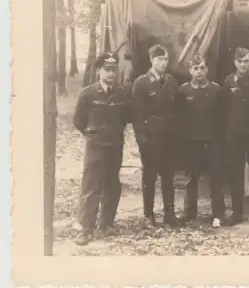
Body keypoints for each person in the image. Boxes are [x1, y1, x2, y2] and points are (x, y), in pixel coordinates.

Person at [72, 53, 132, 246]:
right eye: (107, 69)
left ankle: (106, 223)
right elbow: (79, 121)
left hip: (114, 144)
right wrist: (93, 133)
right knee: (91, 186)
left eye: (114, 69)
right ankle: (85, 228)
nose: (111, 73)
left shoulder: (122, 94)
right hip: (95, 145)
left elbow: (125, 118)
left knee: (112, 184)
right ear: (99, 71)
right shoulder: (87, 94)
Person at [131, 44, 183, 228]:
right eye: (159, 59)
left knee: (168, 177)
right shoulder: (141, 83)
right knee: (150, 177)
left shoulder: (171, 82)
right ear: (151, 60)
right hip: (151, 138)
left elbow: (176, 111)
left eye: (165, 59)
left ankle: (169, 213)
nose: (163, 63)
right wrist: (142, 139)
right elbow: (137, 115)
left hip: (168, 137)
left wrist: (176, 136)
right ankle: (148, 215)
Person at [176, 55, 227, 227]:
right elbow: (180, 119)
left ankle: (218, 214)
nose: (199, 71)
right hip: (192, 142)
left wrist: (220, 140)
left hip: (212, 142)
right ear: (190, 70)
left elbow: (223, 116)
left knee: (216, 179)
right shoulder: (183, 91)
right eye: (195, 68)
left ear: (207, 70)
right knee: (191, 179)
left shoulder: (217, 90)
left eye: (202, 68)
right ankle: (189, 211)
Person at [222, 47, 249, 226]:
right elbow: (224, 109)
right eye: (240, 61)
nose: (243, 64)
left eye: (246, 61)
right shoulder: (228, 81)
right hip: (235, 135)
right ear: (235, 63)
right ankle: (237, 212)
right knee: (235, 174)